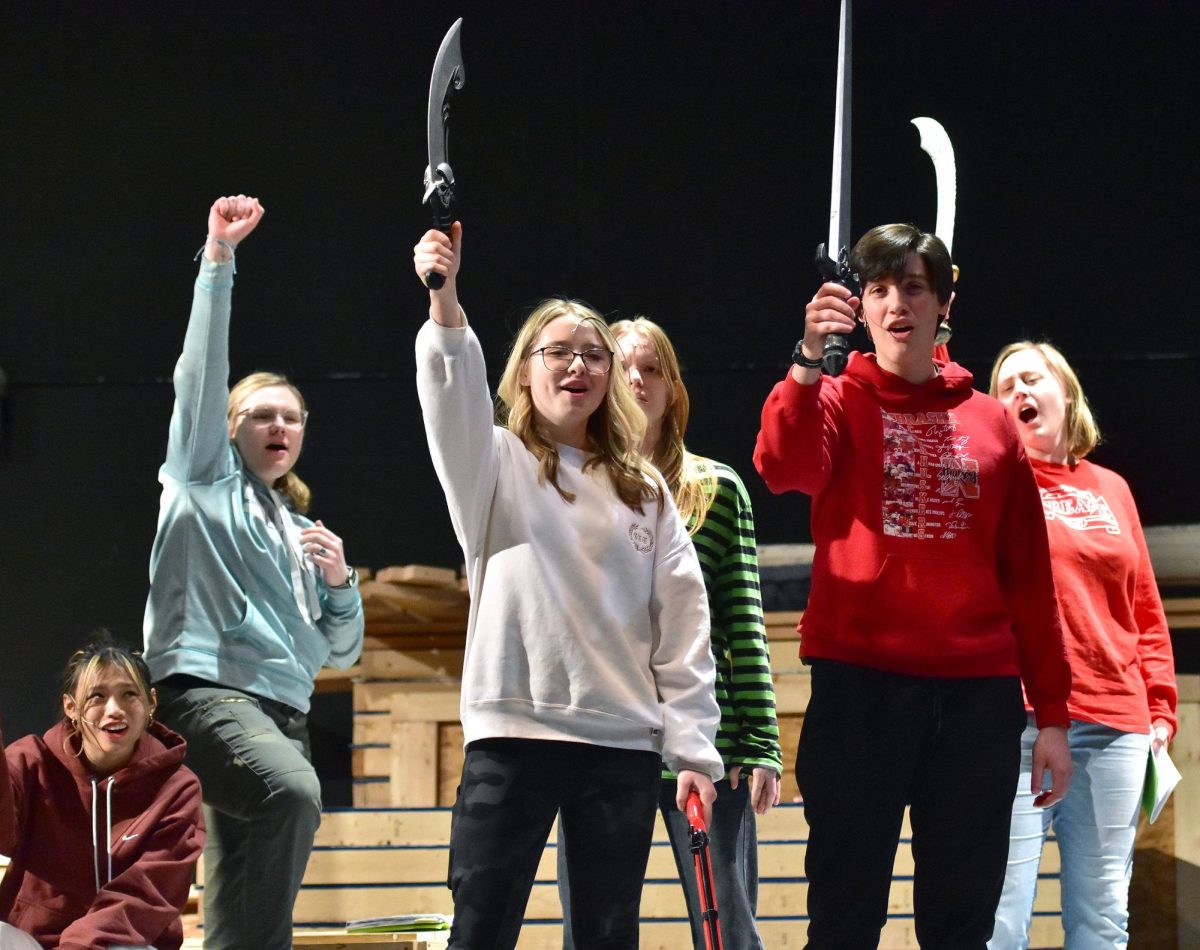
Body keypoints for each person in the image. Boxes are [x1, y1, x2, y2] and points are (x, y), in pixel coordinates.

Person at [753, 223, 1074, 948]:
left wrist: (1051, 714)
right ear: (861, 308)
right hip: (859, 691)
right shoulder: (834, 398)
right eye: (879, 289)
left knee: (962, 923)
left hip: (977, 702)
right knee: (843, 912)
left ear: (943, 304)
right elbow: (781, 465)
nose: (897, 303)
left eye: (914, 287)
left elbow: (1029, 579)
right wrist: (806, 361)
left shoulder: (992, 424)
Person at [412, 223, 723, 950]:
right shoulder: (489, 463)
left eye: (594, 355)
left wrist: (695, 753)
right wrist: (445, 298)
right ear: (524, 368)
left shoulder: (643, 490)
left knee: (609, 936)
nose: (577, 367)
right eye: (558, 353)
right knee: (481, 928)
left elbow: (682, 625)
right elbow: (449, 390)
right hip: (513, 735)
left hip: (619, 744)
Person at [142, 196, 365, 950]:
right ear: (230, 428)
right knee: (293, 795)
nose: (280, 427)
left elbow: (342, 652)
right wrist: (218, 263)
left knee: (238, 893)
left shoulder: (303, 530)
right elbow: (200, 376)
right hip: (207, 695)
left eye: (293, 418)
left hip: (286, 714)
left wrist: (341, 585)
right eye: (262, 415)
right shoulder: (203, 480)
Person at [558, 316, 782, 949]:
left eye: (651, 368)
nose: (636, 380)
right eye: (624, 367)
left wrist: (761, 740)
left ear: (673, 388)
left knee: (728, 930)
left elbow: (743, 620)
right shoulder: (575, 487)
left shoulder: (718, 488)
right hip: (605, 741)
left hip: (711, 746)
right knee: (595, 930)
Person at [987, 341, 1177, 949]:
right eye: (1004, 385)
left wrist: (1161, 707)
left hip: (1116, 720)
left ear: (1064, 393)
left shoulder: (1113, 489)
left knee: (1101, 919)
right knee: (999, 919)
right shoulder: (996, 484)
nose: (1018, 392)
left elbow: (1143, 606)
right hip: (1016, 719)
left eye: (1030, 379)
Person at [0, 633, 204, 950]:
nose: (114, 710)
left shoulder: (177, 787)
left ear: (151, 702)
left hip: (123, 940)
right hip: (32, 940)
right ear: (71, 706)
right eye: (97, 696)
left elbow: (148, 895)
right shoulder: (32, 761)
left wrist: (80, 945)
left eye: (129, 695)